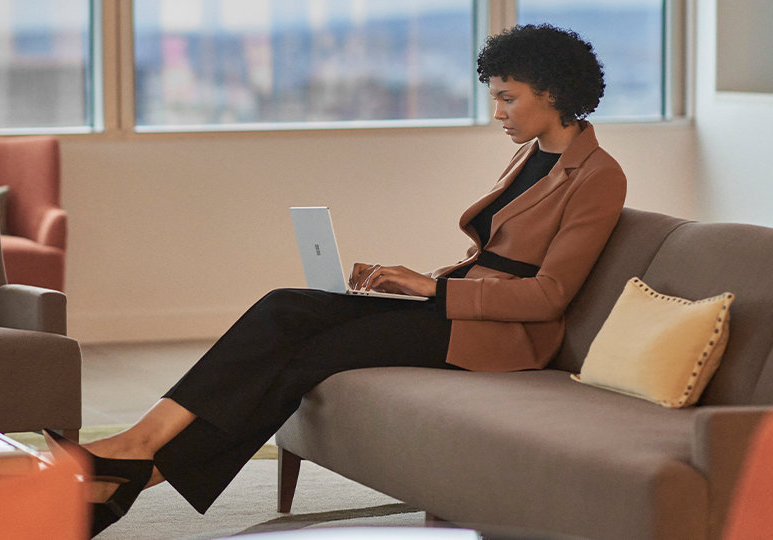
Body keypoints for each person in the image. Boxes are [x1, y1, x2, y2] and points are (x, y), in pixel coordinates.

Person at [45, 23, 628, 537]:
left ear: (554, 94)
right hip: (456, 306)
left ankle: (130, 471)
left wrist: (435, 291)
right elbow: (497, 257)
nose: (497, 111)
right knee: (284, 308)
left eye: (508, 98)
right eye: (494, 96)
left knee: (310, 354)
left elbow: (549, 295)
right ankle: (134, 448)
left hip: (499, 339)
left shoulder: (599, 176)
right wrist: (416, 280)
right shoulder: (532, 155)